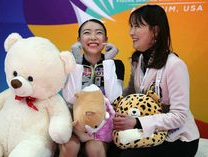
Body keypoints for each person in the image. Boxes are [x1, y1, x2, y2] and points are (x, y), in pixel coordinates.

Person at [109, 4, 200, 157]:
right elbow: (129, 94)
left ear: (155, 31)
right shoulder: (138, 60)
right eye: (131, 27)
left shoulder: (175, 65)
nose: (131, 32)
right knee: (111, 149)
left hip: (178, 139)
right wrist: (110, 106)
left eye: (137, 26)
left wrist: (137, 122)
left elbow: (179, 116)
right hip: (149, 134)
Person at [60, 19, 125, 157]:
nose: (93, 37)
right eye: (87, 33)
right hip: (74, 125)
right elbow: (70, 97)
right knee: (70, 146)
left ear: (106, 39)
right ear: (79, 39)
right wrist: (76, 64)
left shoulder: (116, 64)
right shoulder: (70, 63)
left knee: (94, 148)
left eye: (99, 33)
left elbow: (114, 97)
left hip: (102, 128)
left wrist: (108, 62)